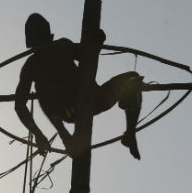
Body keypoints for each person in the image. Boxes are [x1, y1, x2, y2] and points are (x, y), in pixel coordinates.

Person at [14, 13, 144, 159]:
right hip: (70, 111)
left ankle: (130, 133)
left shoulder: (63, 45)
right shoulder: (32, 66)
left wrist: (97, 42)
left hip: (95, 98)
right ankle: (66, 137)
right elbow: (20, 105)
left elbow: (88, 58)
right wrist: (40, 135)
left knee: (133, 79)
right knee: (43, 92)